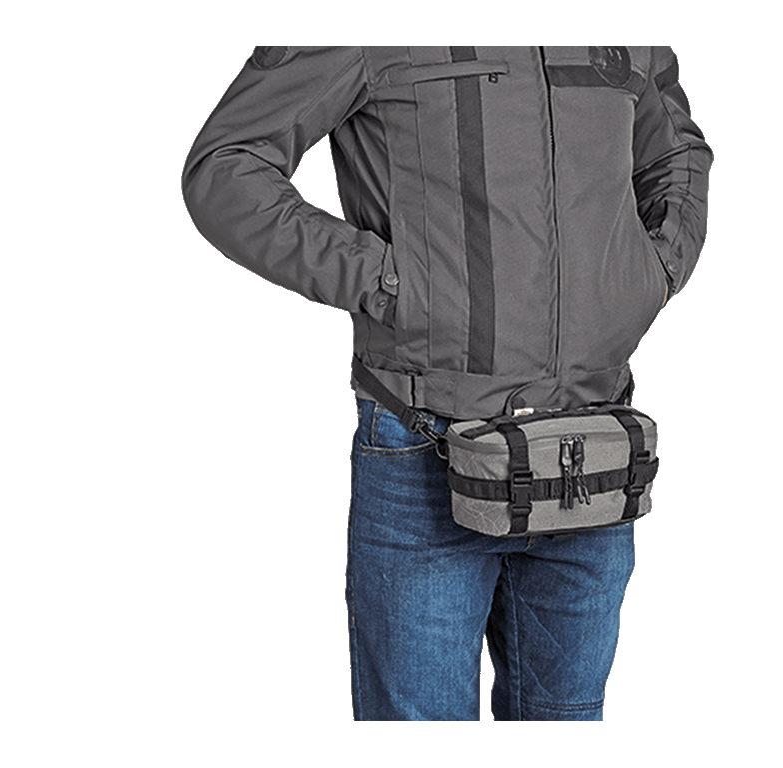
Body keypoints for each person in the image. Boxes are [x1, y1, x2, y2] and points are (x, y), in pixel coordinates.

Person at [181, 45, 712, 721]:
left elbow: (676, 154)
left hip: (591, 448)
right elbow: (226, 166)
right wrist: (386, 282)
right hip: (424, 443)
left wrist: (651, 274)